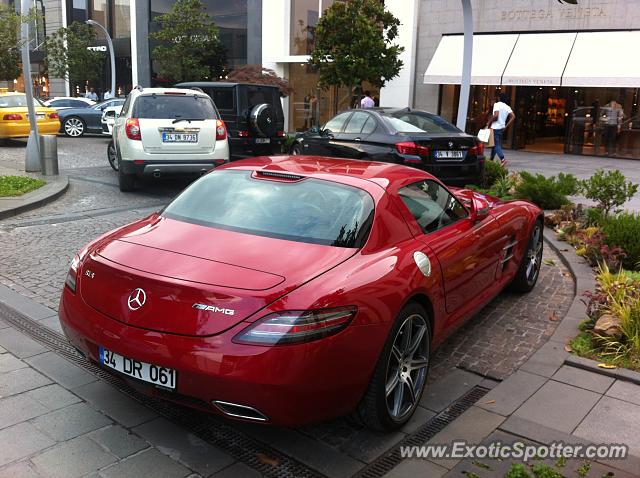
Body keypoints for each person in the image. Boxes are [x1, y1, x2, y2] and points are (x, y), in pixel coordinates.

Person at [486, 92, 515, 168]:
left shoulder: (497, 104)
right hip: (501, 128)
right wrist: (506, 125)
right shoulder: (507, 107)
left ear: (499, 98)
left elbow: (496, 116)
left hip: (495, 127)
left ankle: (502, 159)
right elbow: (513, 116)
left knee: (496, 145)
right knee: (494, 145)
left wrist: (489, 122)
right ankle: (491, 160)